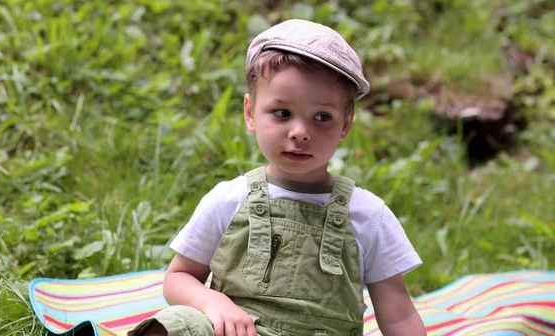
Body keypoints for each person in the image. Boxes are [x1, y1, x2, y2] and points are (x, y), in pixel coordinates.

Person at [128, 19, 426, 336]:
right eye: (282, 113)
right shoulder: (228, 200)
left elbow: (399, 318)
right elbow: (178, 277)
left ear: (345, 124)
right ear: (250, 112)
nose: (300, 133)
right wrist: (214, 303)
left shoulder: (369, 216)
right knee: (175, 326)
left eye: (322, 117)